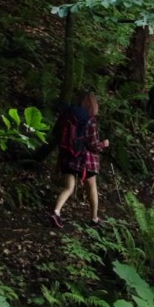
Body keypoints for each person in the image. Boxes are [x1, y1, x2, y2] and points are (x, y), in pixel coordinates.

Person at [50, 91, 108, 228]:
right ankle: (94, 219)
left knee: (68, 187)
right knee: (92, 187)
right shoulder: (90, 120)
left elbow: (56, 134)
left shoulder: (67, 116)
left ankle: (56, 212)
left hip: (67, 157)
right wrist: (103, 144)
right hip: (85, 161)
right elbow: (93, 145)